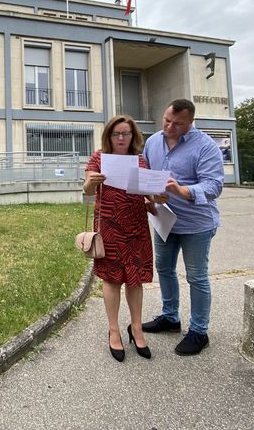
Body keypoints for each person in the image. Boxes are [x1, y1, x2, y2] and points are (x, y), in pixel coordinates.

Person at [141, 99, 225, 356]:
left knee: (196, 276)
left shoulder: (206, 146)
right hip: (164, 219)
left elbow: (214, 186)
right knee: (164, 268)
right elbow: (145, 174)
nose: (169, 127)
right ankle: (170, 318)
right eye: (166, 120)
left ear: (190, 122)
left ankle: (199, 332)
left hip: (195, 224)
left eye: (177, 124)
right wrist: (148, 196)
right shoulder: (153, 141)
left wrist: (181, 190)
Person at [84, 114, 158, 362]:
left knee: (135, 279)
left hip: (136, 225)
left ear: (133, 136)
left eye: (126, 133)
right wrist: (90, 184)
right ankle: (113, 329)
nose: (121, 138)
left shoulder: (140, 160)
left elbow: (147, 194)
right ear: (109, 136)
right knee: (112, 278)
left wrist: (156, 199)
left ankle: (136, 328)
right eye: (116, 134)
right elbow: (86, 190)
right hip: (109, 226)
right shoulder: (98, 157)